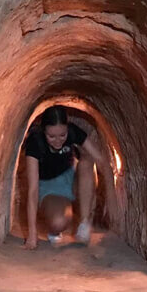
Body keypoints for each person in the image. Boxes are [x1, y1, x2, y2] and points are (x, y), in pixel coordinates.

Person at [22, 105, 106, 249]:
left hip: (70, 178)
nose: (58, 141)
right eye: (51, 136)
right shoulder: (35, 143)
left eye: (62, 135)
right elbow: (33, 189)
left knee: (87, 162)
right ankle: (56, 229)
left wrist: (111, 194)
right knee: (59, 222)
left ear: (67, 128)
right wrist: (32, 234)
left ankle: (84, 224)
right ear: (44, 131)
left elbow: (100, 159)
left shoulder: (73, 132)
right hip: (50, 188)